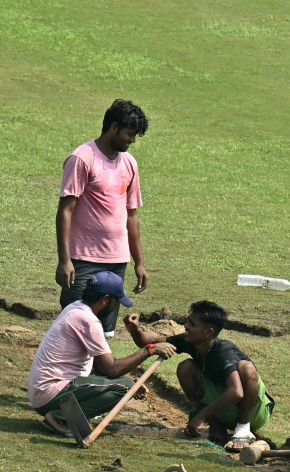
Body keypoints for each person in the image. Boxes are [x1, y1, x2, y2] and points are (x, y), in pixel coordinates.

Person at [28, 271, 176, 435]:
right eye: (116, 302)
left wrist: (128, 377)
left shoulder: (75, 307)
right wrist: (150, 349)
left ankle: (61, 415)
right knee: (124, 388)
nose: (116, 307)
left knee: (126, 383)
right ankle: (60, 417)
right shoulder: (88, 321)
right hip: (52, 393)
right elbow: (110, 368)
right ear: (105, 300)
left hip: (43, 393)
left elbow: (100, 364)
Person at [125, 301, 274, 449]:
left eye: (192, 324)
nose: (186, 326)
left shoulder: (224, 352)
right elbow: (149, 342)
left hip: (253, 413)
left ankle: (243, 430)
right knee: (185, 367)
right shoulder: (190, 341)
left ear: (208, 332)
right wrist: (135, 330)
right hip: (224, 410)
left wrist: (200, 416)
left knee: (246, 368)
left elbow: (236, 392)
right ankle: (215, 424)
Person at [56, 99, 150, 337]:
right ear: (114, 127)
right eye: (130, 134)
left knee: (104, 333)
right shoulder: (82, 158)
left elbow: (132, 215)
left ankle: (97, 374)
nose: (133, 140)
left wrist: (138, 262)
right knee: (74, 328)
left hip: (117, 261)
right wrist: (64, 260)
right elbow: (65, 209)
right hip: (84, 260)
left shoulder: (129, 163)